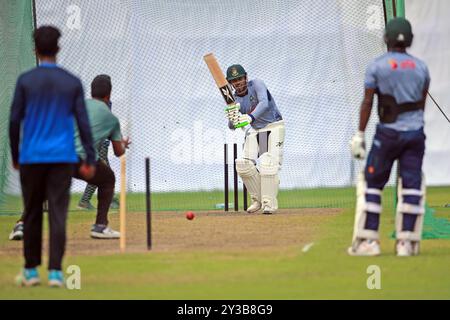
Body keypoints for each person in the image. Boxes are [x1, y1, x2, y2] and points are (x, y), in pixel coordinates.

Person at [9, 26, 96, 287]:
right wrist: (90, 159)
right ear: (58, 48)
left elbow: (14, 121)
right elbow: (83, 123)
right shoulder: (71, 81)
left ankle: (31, 271)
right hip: (62, 157)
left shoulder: (25, 81)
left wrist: (16, 154)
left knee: (33, 212)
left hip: (32, 157)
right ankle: (57, 273)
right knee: (58, 213)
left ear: (35, 49)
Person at [9, 75, 131, 241]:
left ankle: (21, 224)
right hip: (80, 158)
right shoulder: (111, 118)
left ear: (92, 92)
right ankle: (100, 226)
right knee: (108, 179)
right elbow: (118, 152)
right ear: (108, 96)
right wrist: (123, 144)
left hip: (57, 154)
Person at [348, 17, 430, 257]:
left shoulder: (377, 66)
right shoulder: (422, 67)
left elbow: (367, 102)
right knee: (411, 185)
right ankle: (407, 243)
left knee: (372, 184)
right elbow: (421, 104)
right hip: (415, 134)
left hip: (388, 134)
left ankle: (369, 242)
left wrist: (360, 134)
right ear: (410, 40)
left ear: (386, 39)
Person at [225, 64, 284, 214]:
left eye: (240, 78)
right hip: (257, 131)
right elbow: (233, 126)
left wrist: (250, 117)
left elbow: (264, 103)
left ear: (246, 77)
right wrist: (233, 117)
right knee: (243, 164)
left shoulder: (257, 83)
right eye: (234, 80)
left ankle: (269, 203)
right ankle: (258, 200)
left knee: (267, 163)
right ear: (230, 82)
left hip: (273, 126)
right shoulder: (235, 99)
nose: (238, 82)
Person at [77, 97, 120, 211]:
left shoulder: (96, 105)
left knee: (103, 171)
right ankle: (88, 201)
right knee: (101, 171)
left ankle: (107, 199)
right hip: (99, 142)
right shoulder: (101, 105)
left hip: (101, 142)